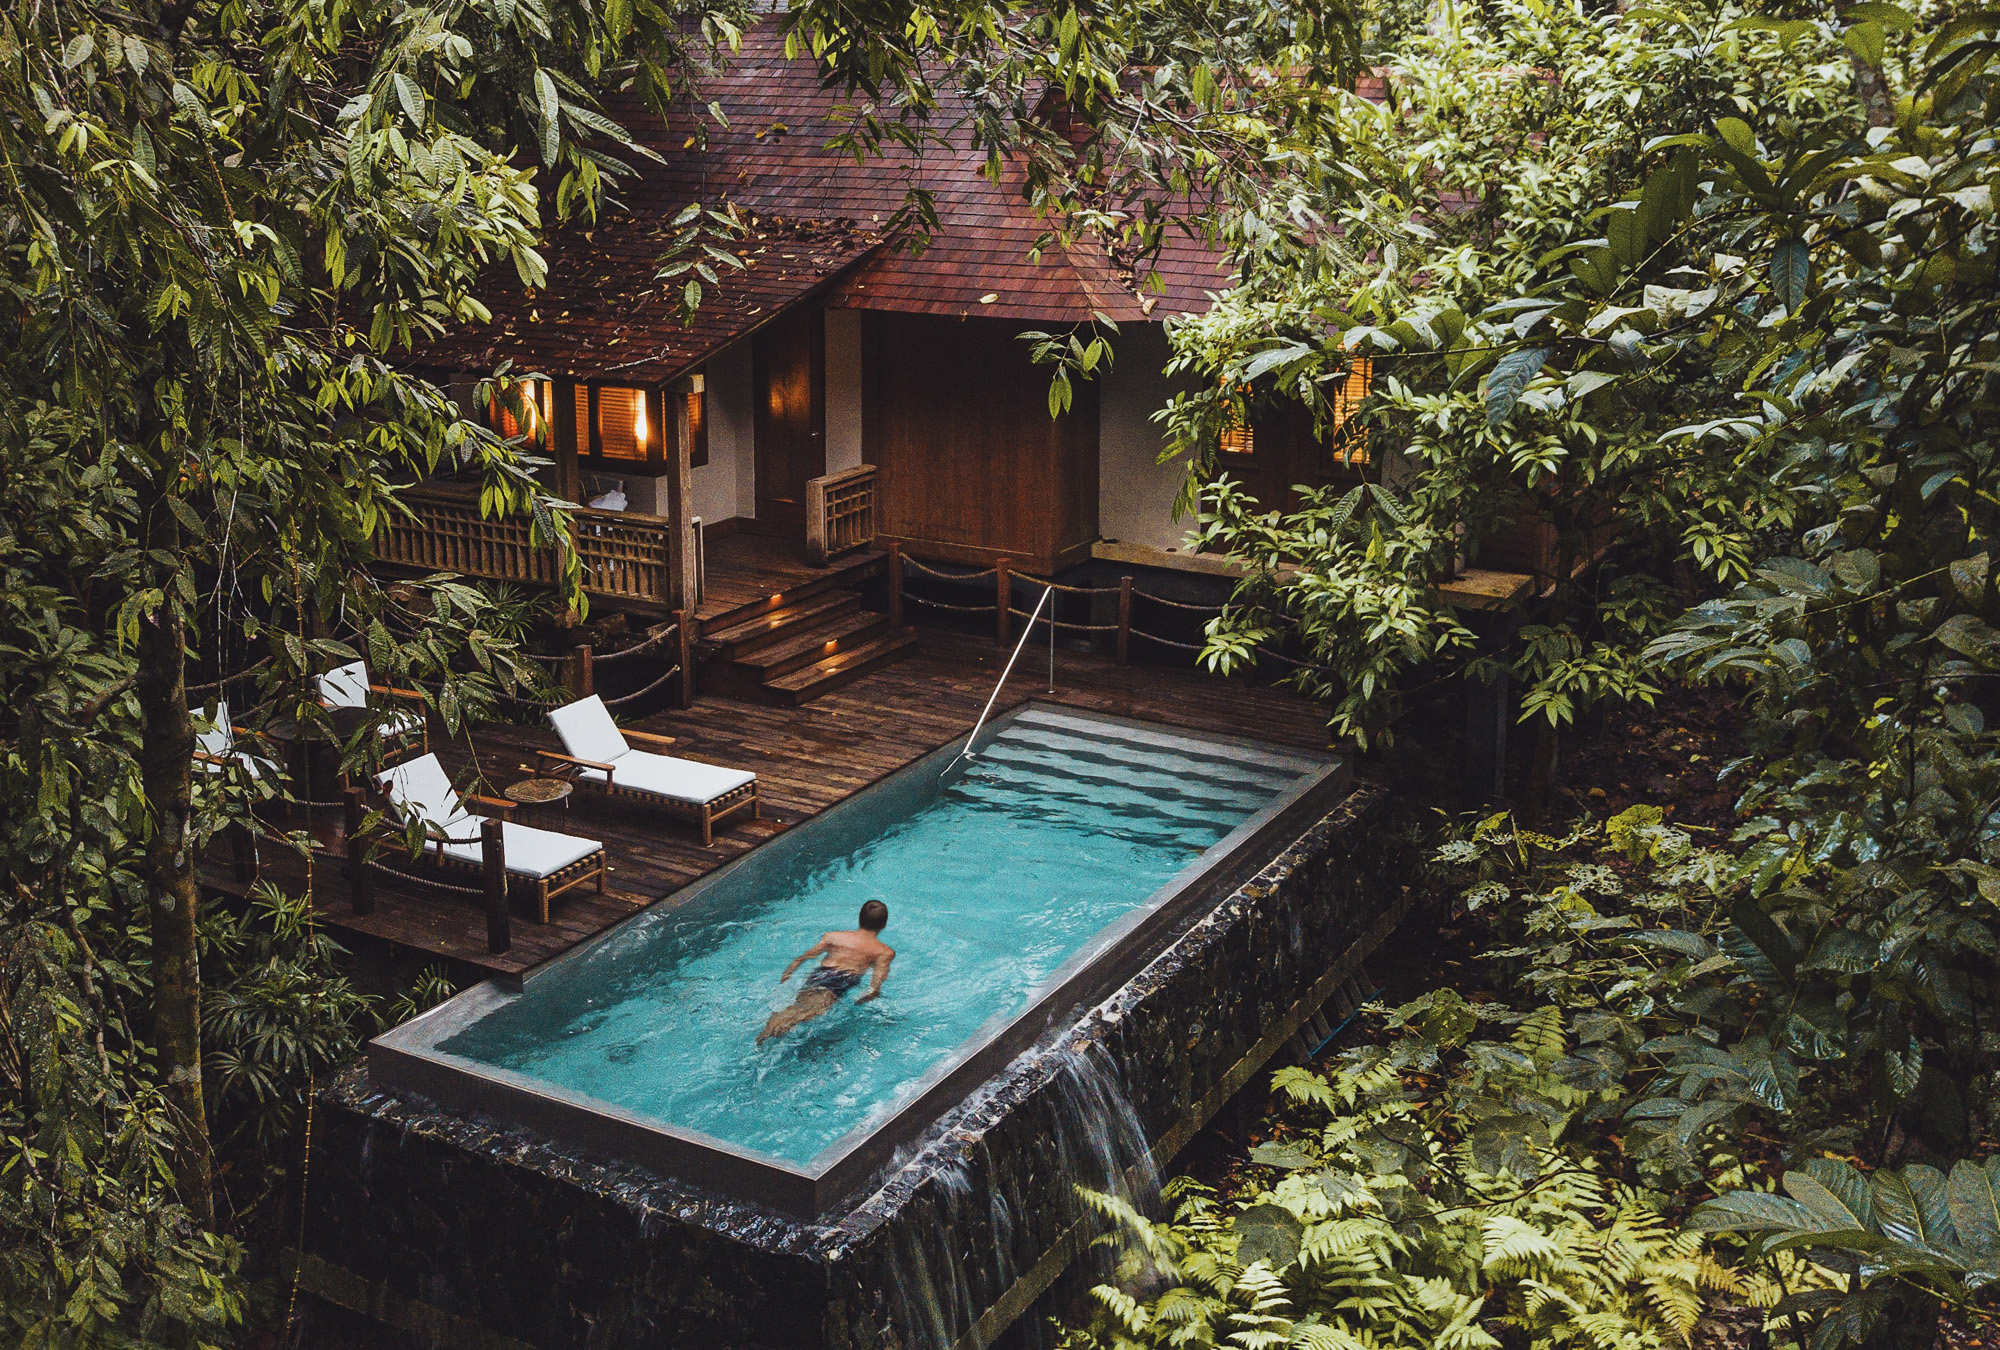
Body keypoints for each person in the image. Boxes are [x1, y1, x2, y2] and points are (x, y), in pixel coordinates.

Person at [757, 900, 895, 1044]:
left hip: (819, 974)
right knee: (802, 1014)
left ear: (860, 919)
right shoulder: (883, 952)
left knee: (800, 1007)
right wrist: (856, 1004)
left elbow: (803, 958)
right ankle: (768, 1037)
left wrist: (788, 972)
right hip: (840, 981)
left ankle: (763, 1036)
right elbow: (874, 990)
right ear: (883, 925)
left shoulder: (833, 936)